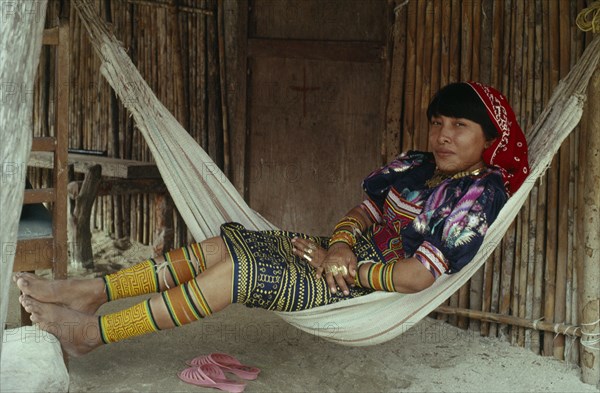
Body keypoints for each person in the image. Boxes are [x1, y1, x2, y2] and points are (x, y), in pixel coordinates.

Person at [15, 81, 529, 357]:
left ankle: (94, 335)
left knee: (237, 275)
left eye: (460, 125)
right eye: (438, 122)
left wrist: (345, 267)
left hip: (370, 290)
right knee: (221, 248)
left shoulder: (478, 194)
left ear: (490, 139)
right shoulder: (418, 166)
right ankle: (92, 294)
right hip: (338, 258)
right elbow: (365, 211)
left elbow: (417, 276)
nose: (443, 134)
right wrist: (343, 245)